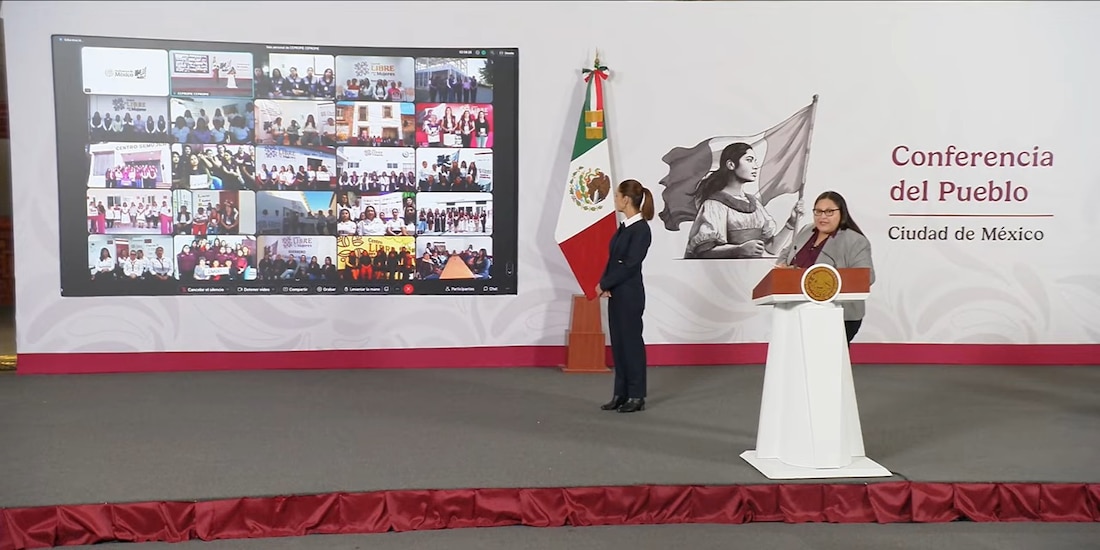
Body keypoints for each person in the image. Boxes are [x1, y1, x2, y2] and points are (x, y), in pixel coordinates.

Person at [775, 191, 874, 344]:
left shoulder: (855, 241)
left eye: (829, 212)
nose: (822, 216)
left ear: (842, 213)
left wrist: (809, 276)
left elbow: (867, 278)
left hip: (839, 315)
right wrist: (784, 268)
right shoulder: (806, 230)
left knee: (827, 362)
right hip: (798, 310)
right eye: (818, 211)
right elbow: (785, 253)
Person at [595, 179, 654, 413]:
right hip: (618, 292)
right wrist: (608, 283)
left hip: (630, 295)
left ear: (626, 199)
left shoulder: (641, 230)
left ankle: (637, 395)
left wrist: (604, 283)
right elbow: (614, 260)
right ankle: (621, 393)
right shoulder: (625, 227)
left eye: (618, 195)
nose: (615, 199)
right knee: (618, 344)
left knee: (631, 345)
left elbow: (630, 264)